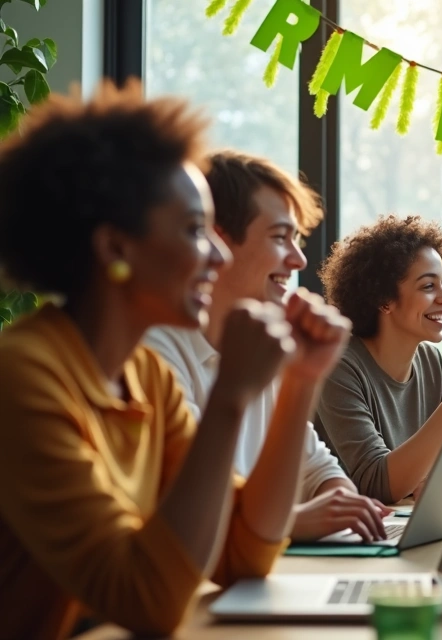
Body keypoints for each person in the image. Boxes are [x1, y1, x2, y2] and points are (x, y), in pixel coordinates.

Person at [0, 82, 351, 638]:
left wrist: (302, 380)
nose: (218, 253)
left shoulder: (147, 379)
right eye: (194, 230)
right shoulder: (23, 377)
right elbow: (147, 600)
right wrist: (231, 394)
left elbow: (243, 552)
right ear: (116, 248)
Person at [144, 150, 390, 542]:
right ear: (217, 241)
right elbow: (189, 506)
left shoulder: (263, 349)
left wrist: (342, 505)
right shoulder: (154, 354)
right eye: (280, 237)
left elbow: (318, 470)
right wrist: (297, 521)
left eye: (297, 239)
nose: (299, 260)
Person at [316, 215, 442, 505]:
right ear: (384, 300)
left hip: (404, 522)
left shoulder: (432, 362)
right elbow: (377, 484)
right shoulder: (337, 367)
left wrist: (433, 479)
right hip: (351, 530)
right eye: (428, 286)